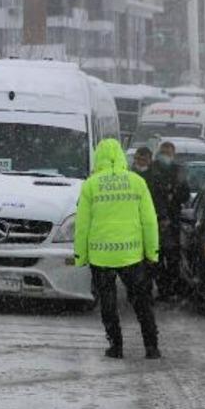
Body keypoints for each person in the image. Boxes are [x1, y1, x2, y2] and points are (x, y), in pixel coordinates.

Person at [75, 138, 161, 359]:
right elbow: (149, 221)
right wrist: (152, 253)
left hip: (101, 255)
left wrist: (80, 256)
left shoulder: (91, 185)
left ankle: (116, 346)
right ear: (122, 156)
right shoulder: (137, 182)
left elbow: (82, 225)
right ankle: (151, 347)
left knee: (108, 303)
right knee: (141, 303)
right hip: (131, 255)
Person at [149, 141, 190, 301]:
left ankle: (171, 289)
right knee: (156, 259)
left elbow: (185, 195)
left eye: (168, 153)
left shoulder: (178, 171)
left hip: (173, 221)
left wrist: (175, 193)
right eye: (163, 153)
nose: (165, 156)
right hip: (155, 220)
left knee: (173, 258)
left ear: (173, 154)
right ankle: (163, 288)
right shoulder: (153, 169)